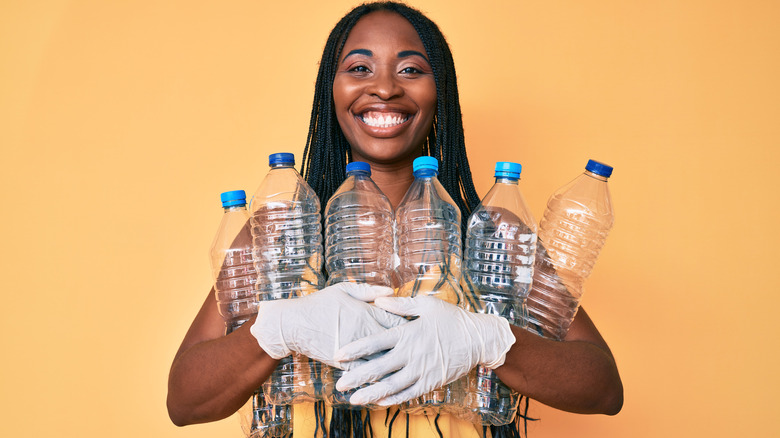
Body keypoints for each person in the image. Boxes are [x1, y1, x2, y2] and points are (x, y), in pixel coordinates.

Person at [167, 2, 623, 436]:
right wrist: (278, 330)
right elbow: (185, 402)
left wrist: (489, 342)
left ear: (438, 91)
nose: (385, 88)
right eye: (359, 68)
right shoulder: (281, 232)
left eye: (410, 69)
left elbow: (603, 388)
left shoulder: (491, 233)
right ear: (331, 89)